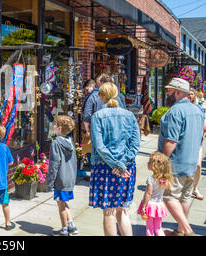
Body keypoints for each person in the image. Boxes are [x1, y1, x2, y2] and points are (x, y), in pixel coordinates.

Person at [89, 82, 140, 236]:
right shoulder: (129, 115)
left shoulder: (97, 116)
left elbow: (100, 146)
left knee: (109, 212)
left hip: (105, 166)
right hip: (126, 167)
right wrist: (122, 164)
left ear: (101, 96)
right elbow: (135, 144)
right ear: (116, 95)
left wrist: (115, 164)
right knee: (122, 210)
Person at [158, 78, 204, 236]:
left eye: (168, 91)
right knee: (184, 198)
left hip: (176, 163)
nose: (166, 94)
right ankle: (179, 230)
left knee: (169, 197)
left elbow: (171, 141)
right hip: (191, 162)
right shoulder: (197, 110)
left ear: (177, 92)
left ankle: (187, 230)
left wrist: (161, 161)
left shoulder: (175, 111)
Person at [46, 115, 79, 236]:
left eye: (54, 125)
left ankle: (64, 229)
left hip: (60, 179)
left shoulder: (56, 144)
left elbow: (54, 165)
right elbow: (74, 161)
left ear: (59, 128)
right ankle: (71, 225)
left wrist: (49, 182)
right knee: (64, 202)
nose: (53, 126)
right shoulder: (70, 141)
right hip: (69, 178)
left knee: (61, 204)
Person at [138, 152, 174, 236]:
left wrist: (144, 205)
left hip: (150, 205)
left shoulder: (151, 179)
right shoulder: (165, 179)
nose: (148, 163)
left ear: (156, 166)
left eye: (150, 162)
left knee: (149, 227)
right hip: (159, 205)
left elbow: (149, 193)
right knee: (158, 227)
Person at [188, 88, 205, 201]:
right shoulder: (181, 108)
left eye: (192, 94)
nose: (190, 96)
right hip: (184, 141)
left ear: (195, 95)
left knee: (198, 165)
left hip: (197, 141)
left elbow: (203, 123)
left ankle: (195, 188)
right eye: (188, 94)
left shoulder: (199, 108)